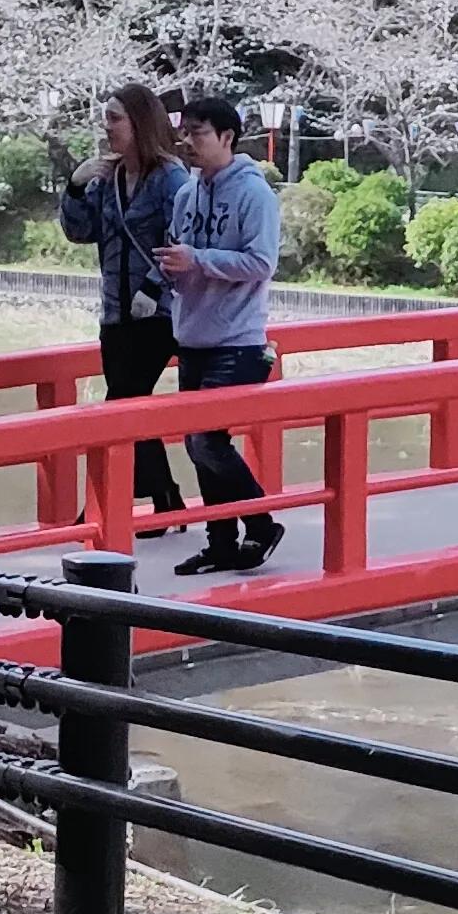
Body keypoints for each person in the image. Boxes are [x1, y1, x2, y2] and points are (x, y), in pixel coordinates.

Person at [161, 93, 283, 572]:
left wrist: (199, 260)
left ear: (227, 136)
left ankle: (260, 523)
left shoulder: (254, 194)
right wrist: (172, 269)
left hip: (239, 339)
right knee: (199, 445)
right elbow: (181, 253)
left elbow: (262, 262)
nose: (187, 141)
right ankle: (221, 541)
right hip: (193, 335)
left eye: (198, 132)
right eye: (185, 132)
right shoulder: (186, 195)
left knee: (205, 441)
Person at [60, 85, 188, 533]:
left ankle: (101, 504)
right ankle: (166, 498)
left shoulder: (171, 178)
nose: (107, 126)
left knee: (121, 405)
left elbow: (182, 237)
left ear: (139, 122)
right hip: (116, 312)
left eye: (115, 118)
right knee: (132, 404)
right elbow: (79, 231)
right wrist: (76, 185)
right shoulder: (107, 178)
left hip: (158, 311)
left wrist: (154, 286)